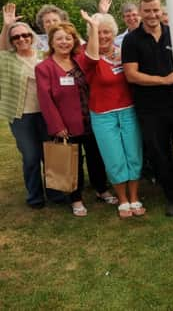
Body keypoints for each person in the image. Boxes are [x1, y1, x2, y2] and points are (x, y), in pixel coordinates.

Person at [122, 0, 173, 216]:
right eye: (147, 11)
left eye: (156, 10)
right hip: (150, 108)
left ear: (161, 11)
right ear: (140, 12)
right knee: (161, 153)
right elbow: (131, 75)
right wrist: (163, 80)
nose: (152, 15)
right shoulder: (132, 40)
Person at [35, 19, 115, 217]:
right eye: (59, 39)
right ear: (51, 42)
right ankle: (76, 198)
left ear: (74, 41)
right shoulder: (44, 68)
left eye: (68, 38)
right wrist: (56, 125)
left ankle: (101, 189)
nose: (64, 42)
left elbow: (94, 60)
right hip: (67, 124)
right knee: (73, 162)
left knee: (97, 158)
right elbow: (45, 100)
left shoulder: (80, 59)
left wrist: (95, 26)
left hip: (91, 118)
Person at [80, 11, 145, 219]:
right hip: (103, 114)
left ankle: (134, 197)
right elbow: (90, 58)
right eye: (99, 33)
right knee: (114, 157)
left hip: (128, 110)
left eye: (107, 32)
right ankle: (123, 200)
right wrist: (92, 25)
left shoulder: (122, 52)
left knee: (133, 155)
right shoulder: (88, 56)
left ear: (114, 33)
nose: (103, 36)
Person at [0, 4, 49, 208]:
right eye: (16, 37)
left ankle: (56, 193)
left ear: (31, 35)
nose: (21, 39)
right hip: (22, 116)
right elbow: (1, 49)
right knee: (31, 156)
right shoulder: (8, 59)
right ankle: (35, 197)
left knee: (50, 155)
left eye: (25, 35)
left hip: (46, 114)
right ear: (11, 41)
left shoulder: (43, 56)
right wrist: (6, 26)